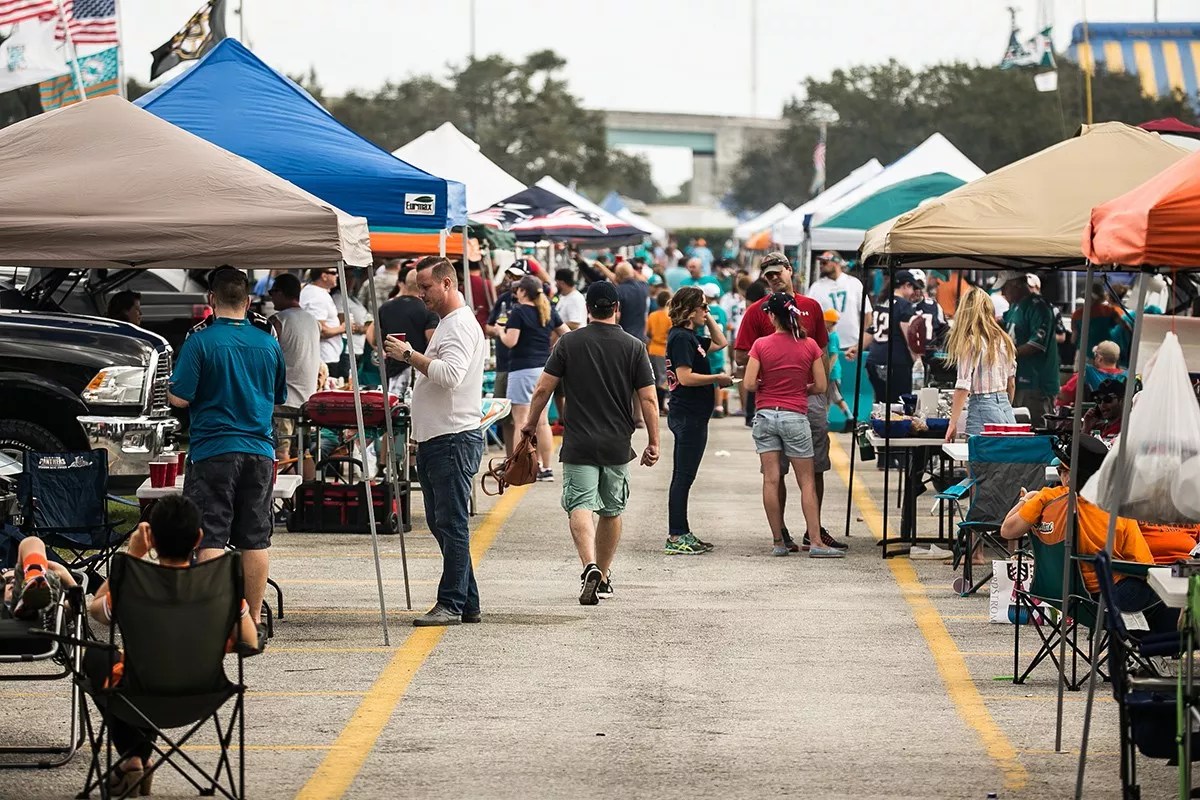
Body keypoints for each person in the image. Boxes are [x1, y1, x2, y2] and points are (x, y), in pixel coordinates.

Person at [86, 496, 258, 794]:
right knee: (144, 673)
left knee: (97, 657)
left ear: (151, 539)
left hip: (138, 694)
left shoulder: (131, 586)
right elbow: (250, 642)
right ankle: (135, 760)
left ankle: (135, 758)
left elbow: (96, 611)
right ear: (199, 538)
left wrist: (132, 557)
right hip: (203, 695)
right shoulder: (222, 590)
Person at [519, 282, 659, 606]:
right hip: (617, 444)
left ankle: (589, 566)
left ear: (587, 308)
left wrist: (529, 424)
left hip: (579, 441)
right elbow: (649, 399)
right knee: (611, 510)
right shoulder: (634, 346)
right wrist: (654, 441)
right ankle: (604, 576)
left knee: (580, 505)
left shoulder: (569, 342)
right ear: (617, 308)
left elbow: (543, 389)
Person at [169, 267, 286, 643]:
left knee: (211, 537)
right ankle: (253, 620)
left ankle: (215, 619)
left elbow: (179, 397)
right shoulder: (268, 343)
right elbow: (278, 395)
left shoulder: (200, 342)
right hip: (259, 450)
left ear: (211, 300)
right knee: (256, 538)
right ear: (248, 301)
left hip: (213, 450)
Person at [383, 257, 487, 627]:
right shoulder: (449, 323)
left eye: (426, 287)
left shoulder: (458, 326)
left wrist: (408, 355)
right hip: (440, 437)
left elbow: (451, 375)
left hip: (452, 438)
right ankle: (467, 601)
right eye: (418, 286)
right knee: (443, 522)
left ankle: (451, 603)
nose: (420, 294)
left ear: (447, 283)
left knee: (451, 524)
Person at [1001, 434, 1172, 634]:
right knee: (1169, 599)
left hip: (1060, 593)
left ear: (1069, 476)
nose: (1059, 475)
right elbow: (1143, 564)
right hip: (1108, 598)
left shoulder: (1047, 500)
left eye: (1061, 470)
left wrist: (1027, 499)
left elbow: (1007, 531)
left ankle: (1135, 644)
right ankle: (1148, 648)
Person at [734, 253, 839, 553]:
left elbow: (823, 351)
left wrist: (820, 393)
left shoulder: (812, 307)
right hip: (790, 399)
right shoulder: (756, 312)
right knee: (781, 473)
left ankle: (809, 532)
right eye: (768, 275)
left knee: (815, 466)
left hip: (798, 402)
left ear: (790, 270)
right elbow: (740, 356)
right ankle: (783, 531)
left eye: (777, 272)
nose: (773, 278)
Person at [663, 287, 730, 555]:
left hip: (694, 415)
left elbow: (721, 342)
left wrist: (707, 315)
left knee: (685, 476)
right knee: (683, 477)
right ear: (690, 311)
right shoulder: (681, 338)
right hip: (687, 414)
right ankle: (676, 534)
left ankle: (682, 530)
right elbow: (685, 377)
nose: (707, 310)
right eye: (703, 307)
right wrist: (716, 379)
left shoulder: (690, 337)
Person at [498, 275, 568, 481]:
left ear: (523, 292)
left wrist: (500, 331)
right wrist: (553, 350)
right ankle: (546, 468)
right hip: (544, 369)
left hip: (521, 370)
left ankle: (523, 467)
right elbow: (566, 333)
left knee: (521, 420)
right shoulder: (548, 310)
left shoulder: (518, 312)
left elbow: (511, 341)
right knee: (542, 421)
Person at [943, 289, 1016, 441]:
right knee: (1005, 453)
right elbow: (1011, 383)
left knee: (978, 454)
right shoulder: (1004, 340)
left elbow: (963, 386)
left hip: (982, 405)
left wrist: (952, 423)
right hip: (1005, 406)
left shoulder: (971, 342)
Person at [267, 274, 321, 461]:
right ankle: (304, 482)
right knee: (304, 454)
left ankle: (282, 482)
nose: (271, 297)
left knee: (280, 452)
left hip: (283, 399)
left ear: (281, 292)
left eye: (272, 292)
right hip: (307, 399)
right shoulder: (313, 320)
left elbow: (266, 358)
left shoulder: (277, 321)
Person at [996, 270, 1059, 424]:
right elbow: (1003, 324)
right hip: (1016, 380)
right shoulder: (1014, 307)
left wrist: (1006, 354)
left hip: (1035, 383)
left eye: (1005, 288)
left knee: (1034, 427)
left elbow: (1036, 344)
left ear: (1017, 284)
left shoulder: (1039, 307)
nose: (1002, 293)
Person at [376, 269, 439, 399]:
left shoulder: (385, 307)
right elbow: (432, 339)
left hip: (392, 370)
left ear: (405, 283)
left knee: (394, 404)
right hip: (419, 367)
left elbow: (373, 337)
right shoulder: (428, 309)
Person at [863, 269, 921, 403]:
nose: (913, 292)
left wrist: (857, 347)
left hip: (874, 360)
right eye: (912, 288)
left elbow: (873, 329)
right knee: (899, 404)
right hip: (896, 362)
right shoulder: (904, 306)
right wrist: (917, 360)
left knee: (880, 402)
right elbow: (909, 338)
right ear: (906, 285)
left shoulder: (881, 302)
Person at [805, 251, 871, 360]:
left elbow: (867, 314)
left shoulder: (854, 283)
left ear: (836, 263)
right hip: (827, 346)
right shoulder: (816, 287)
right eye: (820, 263)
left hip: (853, 345)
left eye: (824, 262)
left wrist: (861, 342)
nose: (821, 266)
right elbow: (809, 316)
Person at [300, 267, 348, 379]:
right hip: (324, 356)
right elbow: (320, 330)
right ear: (324, 276)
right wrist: (343, 328)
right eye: (334, 273)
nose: (337, 275)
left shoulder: (318, 292)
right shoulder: (316, 295)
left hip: (328, 354)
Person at [1057, 340, 1125, 407]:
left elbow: (1064, 395)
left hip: (1088, 413)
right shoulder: (1125, 378)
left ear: (1100, 358)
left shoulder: (1085, 375)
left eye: (1095, 355)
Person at [702, 283, 730, 416]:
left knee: (705, 377)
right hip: (719, 349)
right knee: (718, 379)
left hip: (706, 347)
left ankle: (706, 404)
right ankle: (718, 406)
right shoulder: (722, 312)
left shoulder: (704, 311)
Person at [1071, 281, 1120, 357]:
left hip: (1084, 353)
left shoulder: (1077, 314)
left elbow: (1073, 339)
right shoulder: (1109, 311)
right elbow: (1122, 328)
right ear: (1102, 297)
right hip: (1105, 353)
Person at [823, 309, 853, 426]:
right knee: (828, 398)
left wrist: (827, 371)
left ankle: (850, 418)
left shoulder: (833, 337)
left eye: (826, 321)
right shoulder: (829, 335)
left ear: (831, 322)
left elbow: (834, 355)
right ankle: (825, 420)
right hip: (831, 373)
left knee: (836, 397)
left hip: (832, 374)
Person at [645, 289, 673, 415]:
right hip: (663, 349)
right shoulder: (669, 317)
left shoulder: (652, 315)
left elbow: (648, 333)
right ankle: (661, 406)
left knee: (654, 377)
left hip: (652, 349)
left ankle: (657, 403)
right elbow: (670, 333)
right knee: (663, 379)